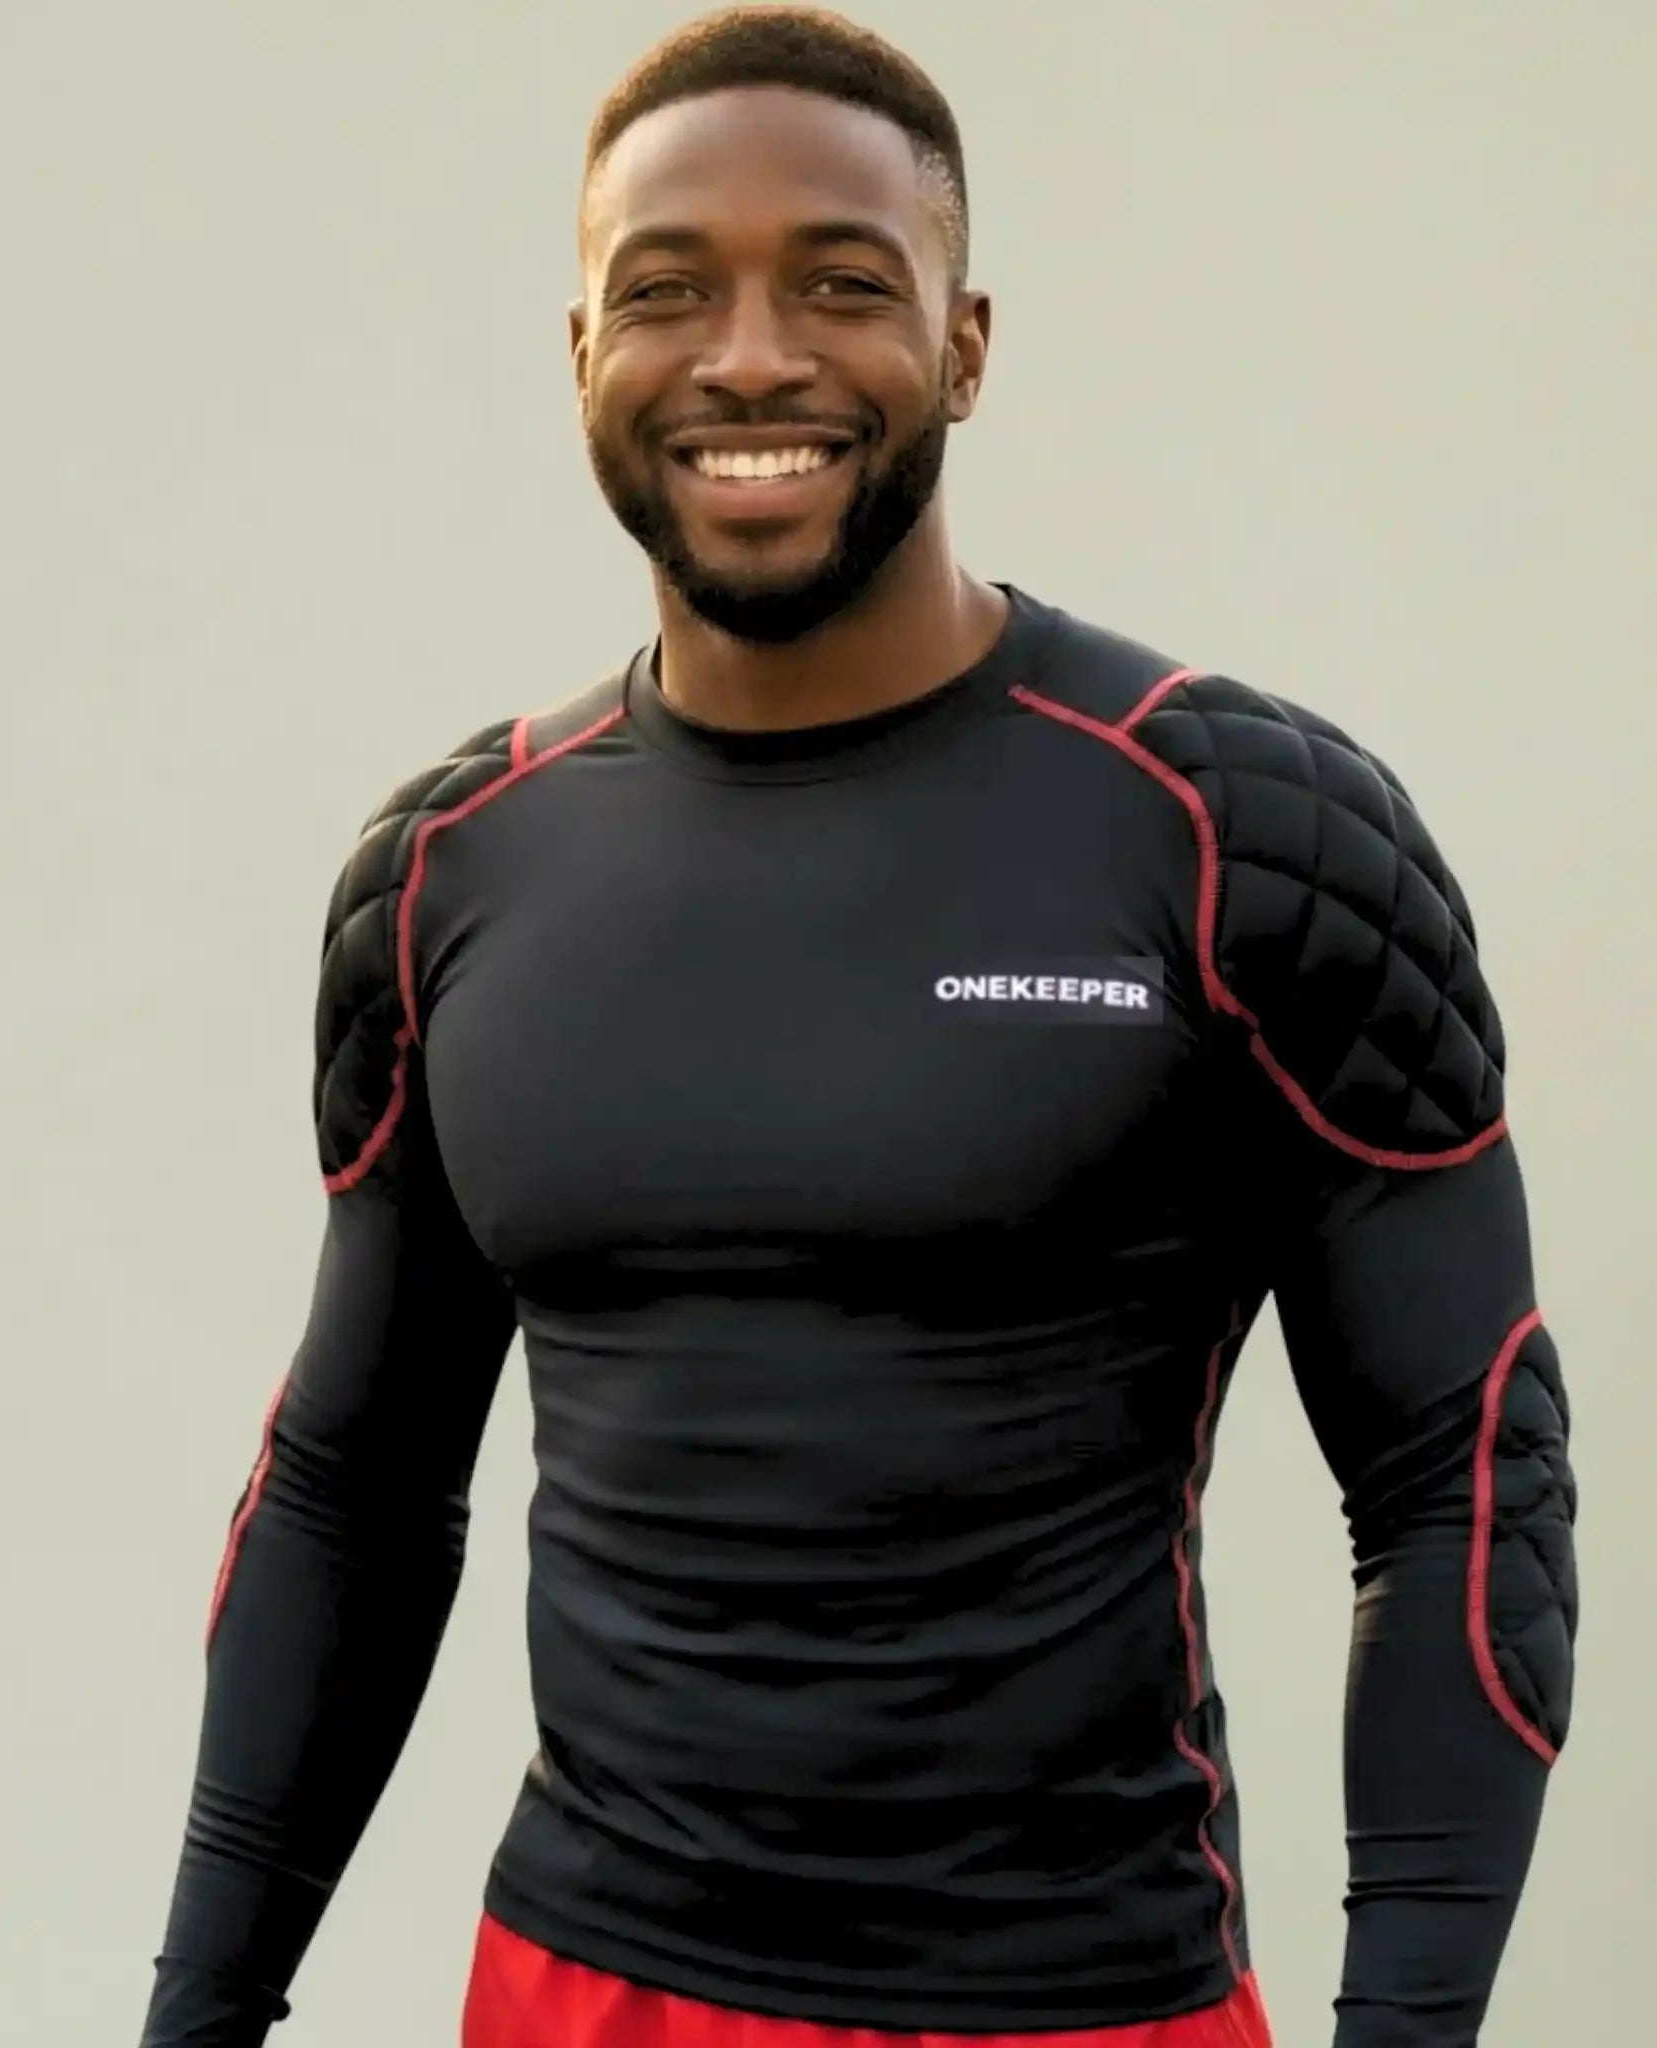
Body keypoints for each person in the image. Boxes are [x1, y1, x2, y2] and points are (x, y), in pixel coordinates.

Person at [137, 9, 1579, 2046]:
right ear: (580, 354)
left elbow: (1463, 1473)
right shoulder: (449, 873)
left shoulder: (1243, 835)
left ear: (964, 347)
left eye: (839, 283)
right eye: (666, 292)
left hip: (1079, 2006)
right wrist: (197, 2012)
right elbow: (349, 1491)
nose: (748, 359)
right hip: (575, 1995)